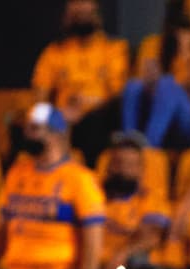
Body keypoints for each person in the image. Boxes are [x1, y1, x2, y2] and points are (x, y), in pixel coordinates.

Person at [0, 103, 105, 269]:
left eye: (34, 129)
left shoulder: (79, 179)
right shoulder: (17, 172)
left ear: (55, 134)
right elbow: (2, 229)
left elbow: (93, 240)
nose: (27, 135)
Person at [31, 0, 129, 166]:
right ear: (67, 18)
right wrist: (55, 114)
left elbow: (118, 95)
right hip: (63, 116)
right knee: (26, 125)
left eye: (87, 13)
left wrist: (85, 105)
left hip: (99, 115)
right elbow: (40, 95)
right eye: (77, 14)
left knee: (96, 122)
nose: (82, 17)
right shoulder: (54, 52)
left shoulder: (114, 49)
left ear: (97, 16)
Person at [100, 131, 171, 269]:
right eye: (118, 163)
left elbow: (151, 237)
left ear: (141, 169)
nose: (123, 170)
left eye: (130, 165)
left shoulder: (150, 199)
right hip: (95, 262)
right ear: (109, 166)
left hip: (130, 268)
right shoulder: (95, 195)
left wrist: (122, 254)